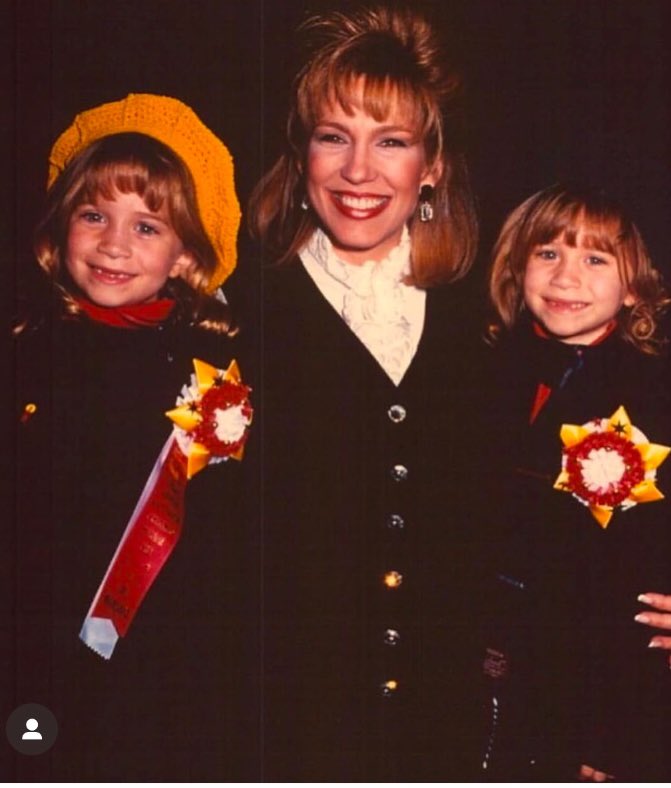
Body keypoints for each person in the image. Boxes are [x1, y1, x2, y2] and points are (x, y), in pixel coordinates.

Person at [249, 4, 486, 781]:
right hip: (279, 734)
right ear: (300, 153)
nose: (358, 171)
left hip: (443, 737)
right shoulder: (232, 314)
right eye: (332, 136)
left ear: (432, 165)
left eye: (390, 141)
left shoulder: (491, 313)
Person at [6, 94, 259, 781]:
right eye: (94, 216)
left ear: (185, 257)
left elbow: (229, 546)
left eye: (147, 226)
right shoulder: (27, 345)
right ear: (61, 231)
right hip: (27, 641)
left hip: (155, 664)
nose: (114, 244)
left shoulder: (211, 377)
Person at [481, 183, 671, 781]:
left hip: (610, 698)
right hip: (478, 684)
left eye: (595, 258)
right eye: (548, 253)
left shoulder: (657, 388)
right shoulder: (474, 368)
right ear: (516, 264)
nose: (567, 277)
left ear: (635, 283)